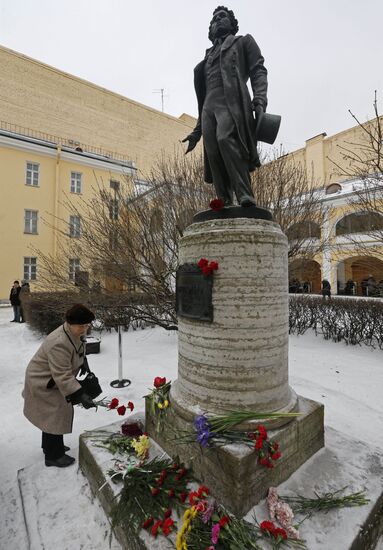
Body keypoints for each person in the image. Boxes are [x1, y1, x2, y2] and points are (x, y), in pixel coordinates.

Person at [182, 6, 268, 207]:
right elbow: (201, 100)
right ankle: (224, 199)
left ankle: (245, 194)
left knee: (225, 138)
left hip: (232, 102)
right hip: (209, 107)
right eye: (214, 20)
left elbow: (258, 71)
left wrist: (260, 100)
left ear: (232, 23)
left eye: (222, 17)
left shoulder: (243, 42)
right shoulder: (205, 61)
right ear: (210, 30)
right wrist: (197, 132)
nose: (217, 21)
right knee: (212, 150)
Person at [23, 304, 97, 467]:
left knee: (53, 414)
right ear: (70, 323)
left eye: (87, 325)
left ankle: (50, 445)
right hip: (42, 380)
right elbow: (62, 375)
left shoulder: (74, 333)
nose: (84, 329)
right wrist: (80, 394)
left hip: (52, 378)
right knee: (54, 412)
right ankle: (53, 456)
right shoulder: (59, 342)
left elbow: (78, 350)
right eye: (81, 326)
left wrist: (83, 362)